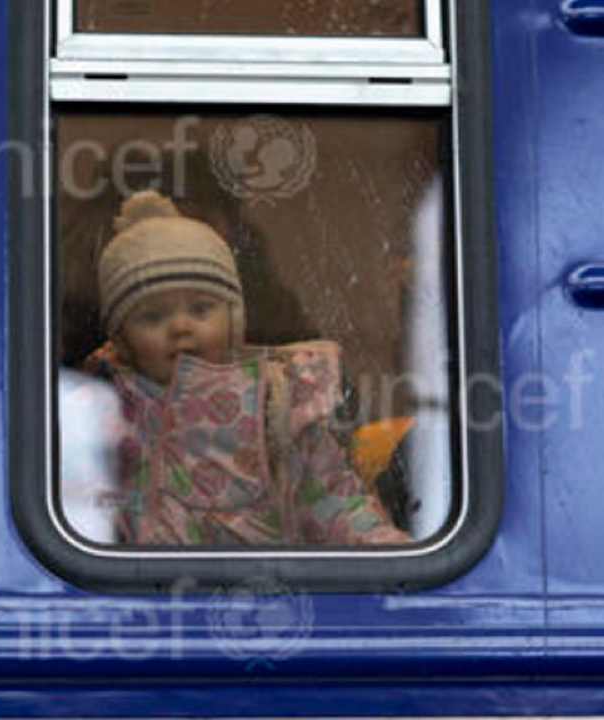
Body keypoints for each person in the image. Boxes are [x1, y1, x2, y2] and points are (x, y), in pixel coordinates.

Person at [81, 190, 411, 546]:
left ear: (235, 320)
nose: (180, 327)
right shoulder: (104, 408)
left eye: (201, 309)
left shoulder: (279, 402)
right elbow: (80, 500)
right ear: (122, 339)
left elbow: (329, 496)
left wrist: (380, 545)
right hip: (136, 590)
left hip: (260, 587)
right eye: (152, 316)